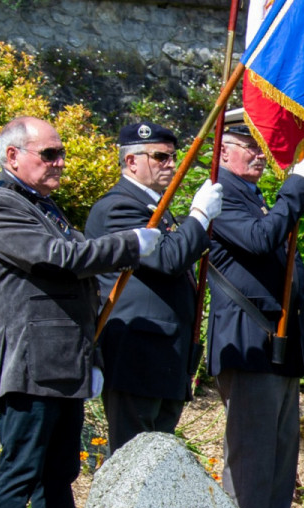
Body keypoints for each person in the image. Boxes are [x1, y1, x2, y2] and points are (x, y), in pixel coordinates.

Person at [0, 116, 161, 508]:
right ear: (13, 157)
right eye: (48, 154)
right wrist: (131, 243)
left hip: (66, 362)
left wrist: (90, 355)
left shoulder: (44, 207)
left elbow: (77, 271)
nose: (59, 164)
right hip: (31, 361)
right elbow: (58, 257)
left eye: (61, 154)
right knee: (20, 467)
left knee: (59, 473)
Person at [207, 123, 304, 508]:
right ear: (224, 151)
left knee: (278, 448)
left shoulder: (251, 196)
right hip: (248, 340)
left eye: (259, 147)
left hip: (275, 341)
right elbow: (260, 239)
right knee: (251, 450)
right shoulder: (221, 196)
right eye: (248, 147)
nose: (259, 154)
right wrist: (295, 190)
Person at [85, 121, 223, 452]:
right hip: (136, 355)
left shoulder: (157, 209)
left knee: (157, 461)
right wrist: (200, 215)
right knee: (132, 461)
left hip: (164, 356)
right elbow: (168, 259)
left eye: (172, 156)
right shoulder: (117, 207)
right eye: (160, 157)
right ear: (131, 161)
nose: (171, 164)